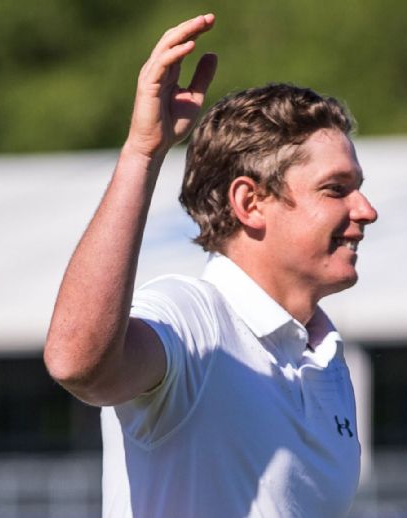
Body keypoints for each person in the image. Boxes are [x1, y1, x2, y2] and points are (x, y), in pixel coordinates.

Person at [43, 14, 378, 517]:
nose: (366, 210)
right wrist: (142, 153)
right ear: (250, 203)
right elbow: (76, 362)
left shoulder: (325, 356)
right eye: (336, 190)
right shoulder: (192, 318)